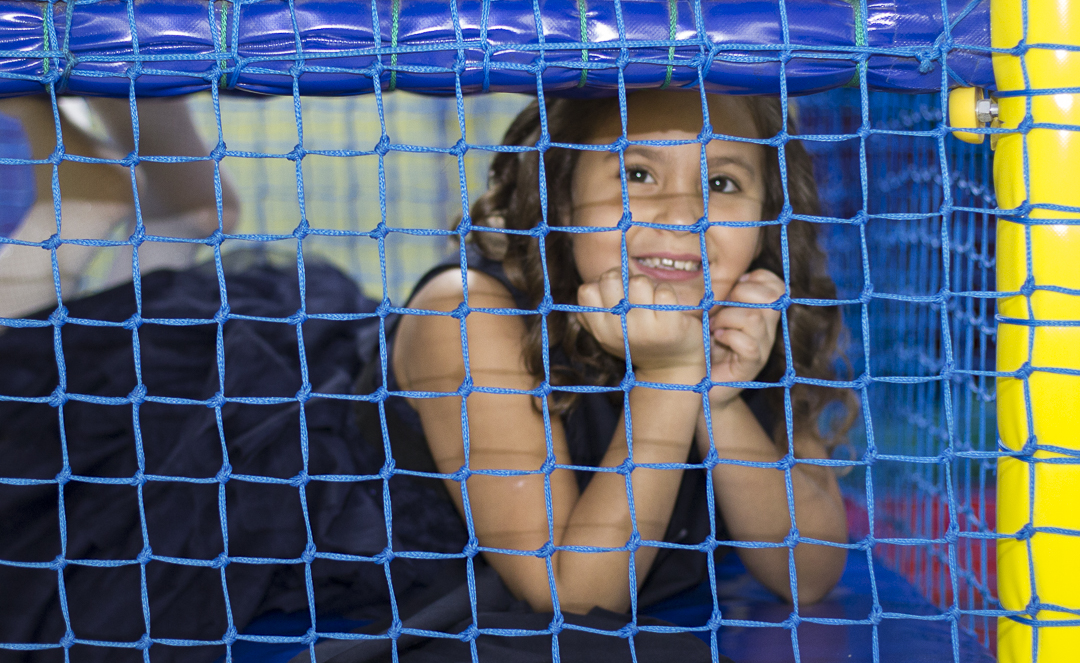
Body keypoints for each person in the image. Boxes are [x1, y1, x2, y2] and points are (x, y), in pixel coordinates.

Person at [0, 90, 854, 663]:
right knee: (58, 349)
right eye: (635, 174)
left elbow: (807, 572)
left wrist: (719, 393)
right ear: (560, 200)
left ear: (766, 214)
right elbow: (575, 593)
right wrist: (670, 380)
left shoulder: (751, 312)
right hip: (269, 427)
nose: (682, 214)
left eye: (723, 181)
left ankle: (181, 213)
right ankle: (74, 143)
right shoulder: (469, 316)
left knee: (153, 252)